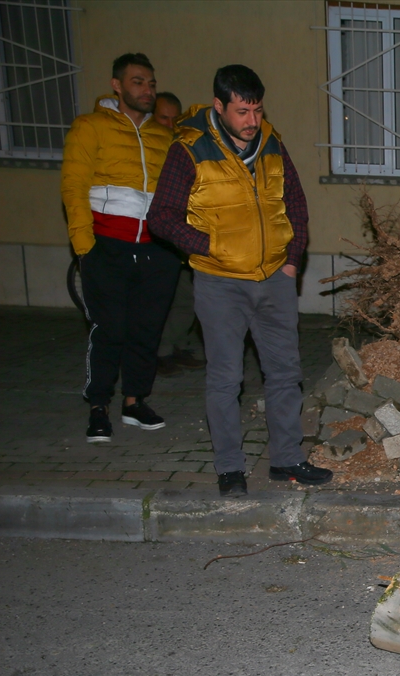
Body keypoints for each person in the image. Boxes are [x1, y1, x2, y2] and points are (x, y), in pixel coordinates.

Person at [148, 64, 331, 497]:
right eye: (242, 112)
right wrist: (208, 246)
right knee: (226, 379)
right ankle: (230, 468)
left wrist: (292, 261)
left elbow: (296, 203)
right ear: (219, 106)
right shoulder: (189, 148)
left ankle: (286, 459)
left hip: (274, 278)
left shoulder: (271, 143)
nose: (252, 121)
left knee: (285, 373)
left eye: (257, 110)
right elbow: (161, 217)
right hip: (220, 284)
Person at [61, 52, 181, 443]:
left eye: (150, 82)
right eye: (137, 81)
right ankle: (99, 407)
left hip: (157, 251)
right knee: (110, 330)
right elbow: (74, 188)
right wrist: (85, 246)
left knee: (146, 331)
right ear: (117, 85)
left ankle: (134, 402)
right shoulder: (90, 127)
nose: (146, 89)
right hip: (105, 247)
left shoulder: (164, 136)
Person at [150, 91, 206, 375]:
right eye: (163, 118)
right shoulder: (149, 147)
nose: (170, 126)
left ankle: (173, 346)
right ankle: (159, 352)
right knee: (163, 298)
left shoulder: (183, 145)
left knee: (187, 297)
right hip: (158, 234)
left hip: (183, 234)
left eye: (175, 119)